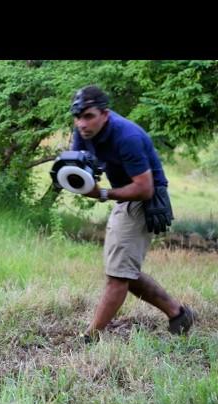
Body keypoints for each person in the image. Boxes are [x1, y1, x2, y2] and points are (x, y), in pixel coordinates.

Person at [68, 85, 194, 342]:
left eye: (89, 116)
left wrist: (102, 194)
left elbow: (145, 188)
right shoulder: (83, 130)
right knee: (124, 271)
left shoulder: (127, 136)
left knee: (118, 276)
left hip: (143, 199)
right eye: (78, 116)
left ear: (105, 113)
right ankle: (178, 313)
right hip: (125, 196)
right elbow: (76, 166)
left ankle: (91, 337)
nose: (82, 123)